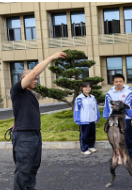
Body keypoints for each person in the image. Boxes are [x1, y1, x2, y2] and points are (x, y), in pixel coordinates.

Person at [10, 52, 67, 190]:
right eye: (34, 78)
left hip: (33, 135)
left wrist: (17, 122)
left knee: (32, 166)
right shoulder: (18, 89)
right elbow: (35, 70)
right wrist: (51, 58)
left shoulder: (28, 94)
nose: (36, 80)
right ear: (24, 78)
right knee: (24, 169)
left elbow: (23, 111)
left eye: (37, 79)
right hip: (25, 137)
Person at [103, 74, 132, 164]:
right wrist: (107, 119)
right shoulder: (109, 94)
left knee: (128, 139)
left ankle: (131, 156)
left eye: (120, 81)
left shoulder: (129, 93)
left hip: (126, 118)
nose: (118, 83)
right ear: (113, 82)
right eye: (116, 81)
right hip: (113, 120)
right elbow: (106, 107)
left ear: (124, 82)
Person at [74, 82, 101, 155]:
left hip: (92, 119)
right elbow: (76, 109)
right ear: (82, 88)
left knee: (92, 134)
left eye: (89, 87)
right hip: (84, 119)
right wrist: (77, 119)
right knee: (84, 135)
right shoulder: (79, 98)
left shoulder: (92, 97)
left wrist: (97, 116)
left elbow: (96, 108)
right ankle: (84, 149)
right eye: (85, 87)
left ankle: (91, 146)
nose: (87, 88)